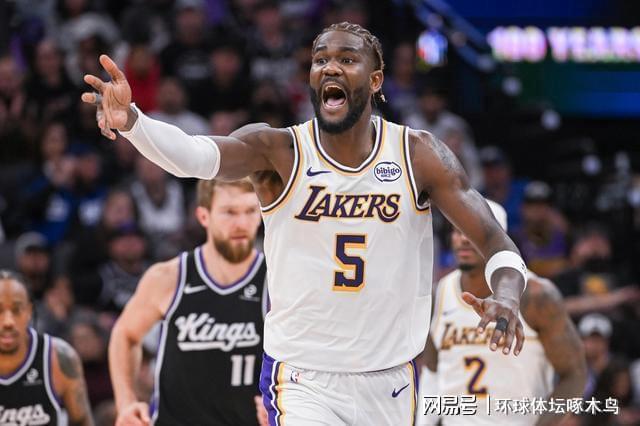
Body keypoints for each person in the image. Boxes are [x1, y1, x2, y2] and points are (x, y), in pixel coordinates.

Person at [84, 22, 529, 424]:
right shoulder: (278, 151)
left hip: (391, 378)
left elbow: (495, 239)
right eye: (320, 60)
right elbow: (195, 157)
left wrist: (507, 295)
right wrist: (134, 122)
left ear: (375, 80)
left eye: (347, 59)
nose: (330, 67)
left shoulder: (417, 155)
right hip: (302, 378)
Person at [108, 178, 267, 426]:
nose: (242, 223)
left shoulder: (275, 281)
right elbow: (125, 334)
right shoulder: (169, 277)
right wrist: (126, 402)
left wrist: (283, 402)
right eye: (229, 212)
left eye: (250, 211)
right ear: (204, 216)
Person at [419, 201, 586, 426]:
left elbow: (574, 375)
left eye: (473, 232)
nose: (463, 239)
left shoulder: (537, 295)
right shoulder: (439, 293)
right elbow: (432, 371)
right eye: (457, 230)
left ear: (499, 241)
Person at [0, 269, 94, 426]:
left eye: (17, 310)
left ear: (29, 311)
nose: (8, 322)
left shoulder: (59, 356)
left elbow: (82, 421)